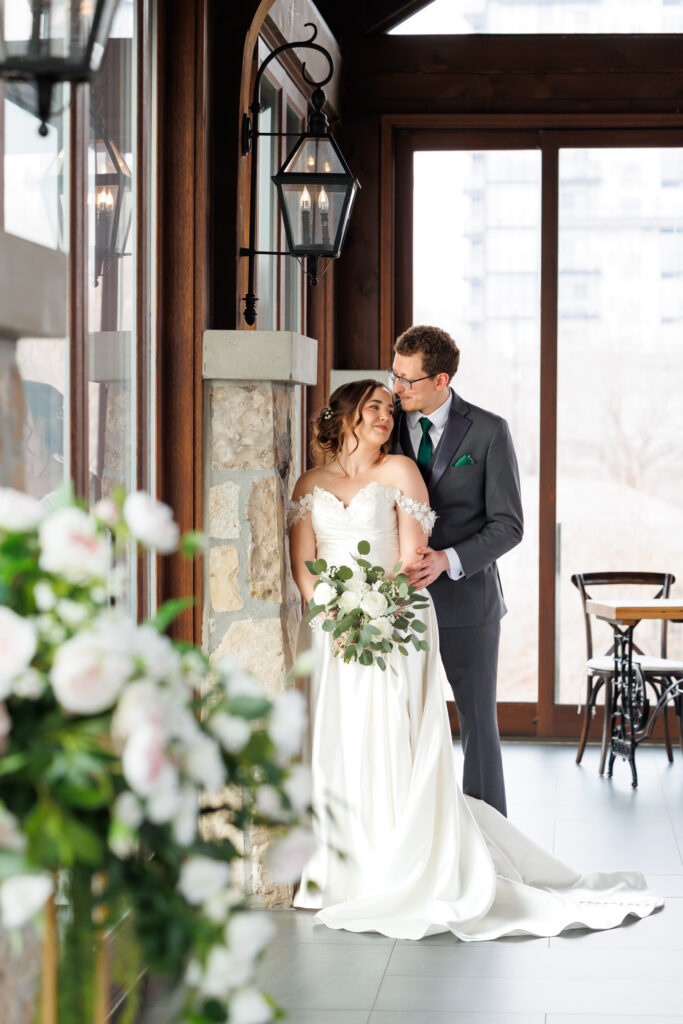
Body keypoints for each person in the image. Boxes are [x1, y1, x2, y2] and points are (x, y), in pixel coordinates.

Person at [287, 378, 660, 941]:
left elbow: (414, 557)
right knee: (338, 738)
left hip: (394, 621)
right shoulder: (310, 482)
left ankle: (403, 864)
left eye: (390, 408)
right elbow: (303, 565)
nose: (386, 416)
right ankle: (341, 869)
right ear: (345, 416)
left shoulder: (401, 472)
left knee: (394, 737)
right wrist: (334, 615)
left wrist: (370, 613)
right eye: (375, 408)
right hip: (333, 632)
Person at [392, 325, 522, 817]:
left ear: (440, 379)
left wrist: (448, 560)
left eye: (409, 380)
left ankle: (492, 838)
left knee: (477, 724)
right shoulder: (385, 424)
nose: (398, 388)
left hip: (470, 605)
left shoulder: (489, 431)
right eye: (395, 375)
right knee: (403, 721)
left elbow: (509, 526)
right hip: (397, 604)